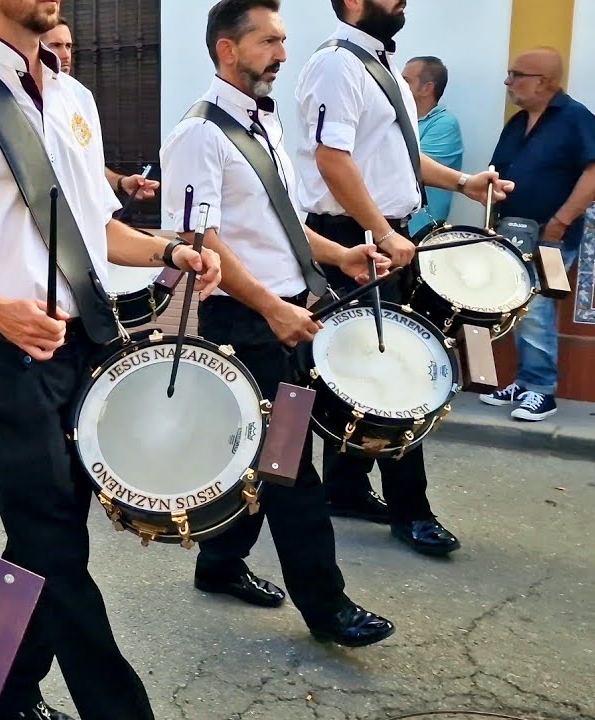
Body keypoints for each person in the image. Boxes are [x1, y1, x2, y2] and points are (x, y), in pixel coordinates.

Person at [0, 1, 221, 715]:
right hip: (12, 363)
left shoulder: (76, 99)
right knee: (57, 551)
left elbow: (100, 231)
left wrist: (171, 251)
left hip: (85, 351)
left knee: (44, 545)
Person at [163, 0, 395, 648]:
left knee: (261, 456)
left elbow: (283, 226)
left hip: (288, 312)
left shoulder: (263, 124)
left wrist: (341, 255)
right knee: (288, 465)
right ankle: (328, 606)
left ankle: (218, 563)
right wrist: (271, 307)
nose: (283, 55)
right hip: (247, 321)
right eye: (268, 41)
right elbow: (202, 240)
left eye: (284, 41)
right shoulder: (199, 134)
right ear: (227, 49)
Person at [295, 0, 513, 556]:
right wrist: (379, 231)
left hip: (382, 232)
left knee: (364, 365)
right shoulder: (336, 64)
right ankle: (411, 509)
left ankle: (345, 488)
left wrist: (463, 182)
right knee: (394, 370)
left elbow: (399, 157)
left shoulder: (383, 65)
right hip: (351, 237)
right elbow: (332, 160)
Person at [480, 47, 595, 422]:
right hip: (512, 235)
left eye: (516, 75)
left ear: (545, 82)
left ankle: (541, 389)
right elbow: (497, 172)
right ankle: (524, 382)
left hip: (551, 238)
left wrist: (560, 222)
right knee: (519, 307)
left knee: (536, 308)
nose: (508, 82)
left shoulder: (576, 118)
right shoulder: (517, 123)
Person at [41, 16, 160, 211]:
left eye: (69, 46)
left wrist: (121, 182)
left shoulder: (81, 96)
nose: (65, 54)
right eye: (56, 46)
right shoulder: (27, 100)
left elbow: (89, 162)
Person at [404, 55, 464, 236]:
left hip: (419, 228)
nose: (397, 85)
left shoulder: (444, 124)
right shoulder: (401, 120)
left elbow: (409, 167)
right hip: (396, 224)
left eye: (405, 81)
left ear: (427, 88)